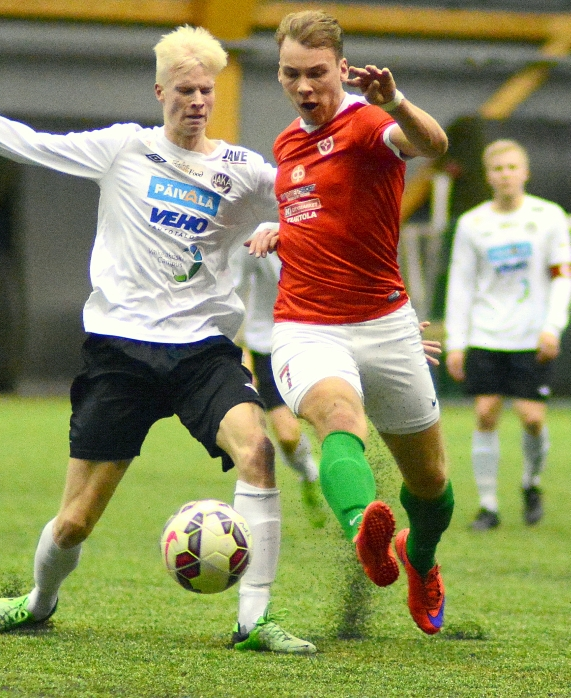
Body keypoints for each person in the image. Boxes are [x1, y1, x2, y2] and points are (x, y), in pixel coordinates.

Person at [0, 26, 318, 654]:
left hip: (203, 351)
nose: (198, 100)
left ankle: (254, 620)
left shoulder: (244, 171)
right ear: (159, 91)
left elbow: (316, 209)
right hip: (121, 353)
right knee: (75, 521)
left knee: (257, 453)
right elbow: (26, 143)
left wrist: (285, 229)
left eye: (207, 89)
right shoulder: (122, 149)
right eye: (185, 89)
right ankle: (37, 603)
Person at [248, 10, 454, 636]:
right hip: (306, 325)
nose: (304, 86)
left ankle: (419, 558)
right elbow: (325, 211)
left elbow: (433, 146)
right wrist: (281, 230)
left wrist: (396, 103)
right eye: (290, 74)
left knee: (433, 484)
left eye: (315, 73)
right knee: (339, 416)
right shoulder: (286, 144)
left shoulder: (370, 124)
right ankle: (365, 525)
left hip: (386, 323)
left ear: (342, 68)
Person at [445, 139, 571, 531]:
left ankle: (531, 484)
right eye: (498, 169)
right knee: (485, 413)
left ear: (525, 172)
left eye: (512, 168)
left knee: (532, 418)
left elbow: (561, 277)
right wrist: (457, 341)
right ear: (489, 177)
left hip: (531, 336)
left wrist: (552, 326)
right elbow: (461, 284)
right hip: (485, 333)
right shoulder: (473, 224)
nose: (506, 175)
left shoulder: (549, 217)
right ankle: (488, 506)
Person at [230, 241, 327, 528]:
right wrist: (237, 348)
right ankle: (310, 473)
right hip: (269, 344)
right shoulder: (255, 234)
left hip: (319, 339)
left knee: (331, 422)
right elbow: (234, 288)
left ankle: (351, 507)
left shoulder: (321, 222)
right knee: (286, 436)